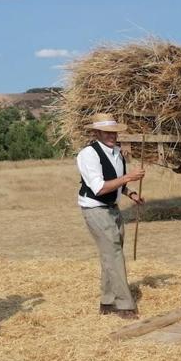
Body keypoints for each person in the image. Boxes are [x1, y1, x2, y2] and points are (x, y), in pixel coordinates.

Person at [76, 113, 145, 320]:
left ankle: (107, 302)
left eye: (113, 132)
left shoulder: (116, 153)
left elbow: (118, 183)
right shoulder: (88, 155)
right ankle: (125, 305)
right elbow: (98, 188)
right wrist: (129, 176)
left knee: (110, 254)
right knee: (114, 253)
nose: (111, 136)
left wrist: (130, 192)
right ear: (97, 133)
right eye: (107, 132)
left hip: (112, 208)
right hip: (95, 209)